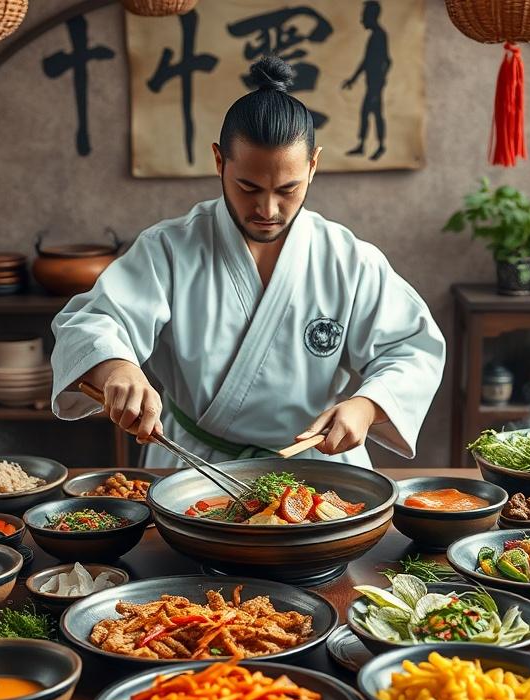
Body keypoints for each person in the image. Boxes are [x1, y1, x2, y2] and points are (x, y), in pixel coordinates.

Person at [50, 56, 444, 468]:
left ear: (313, 166)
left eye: (288, 189)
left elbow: (412, 348)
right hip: (195, 465)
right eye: (248, 187)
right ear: (220, 161)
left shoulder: (348, 260)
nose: (268, 208)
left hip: (319, 470)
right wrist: (117, 370)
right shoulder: (169, 248)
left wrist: (367, 406)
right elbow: (94, 321)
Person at [342, 1, 391, 161]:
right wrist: (353, 80)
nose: (362, 20)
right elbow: (366, 61)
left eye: (364, 16)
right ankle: (364, 145)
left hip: (375, 85)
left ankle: (379, 146)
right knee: (368, 113)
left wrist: (380, 84)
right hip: (372, 84)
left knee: (374, 114)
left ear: (371, 16)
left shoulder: (379, 36)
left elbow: (387, 61)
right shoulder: (375, 36)